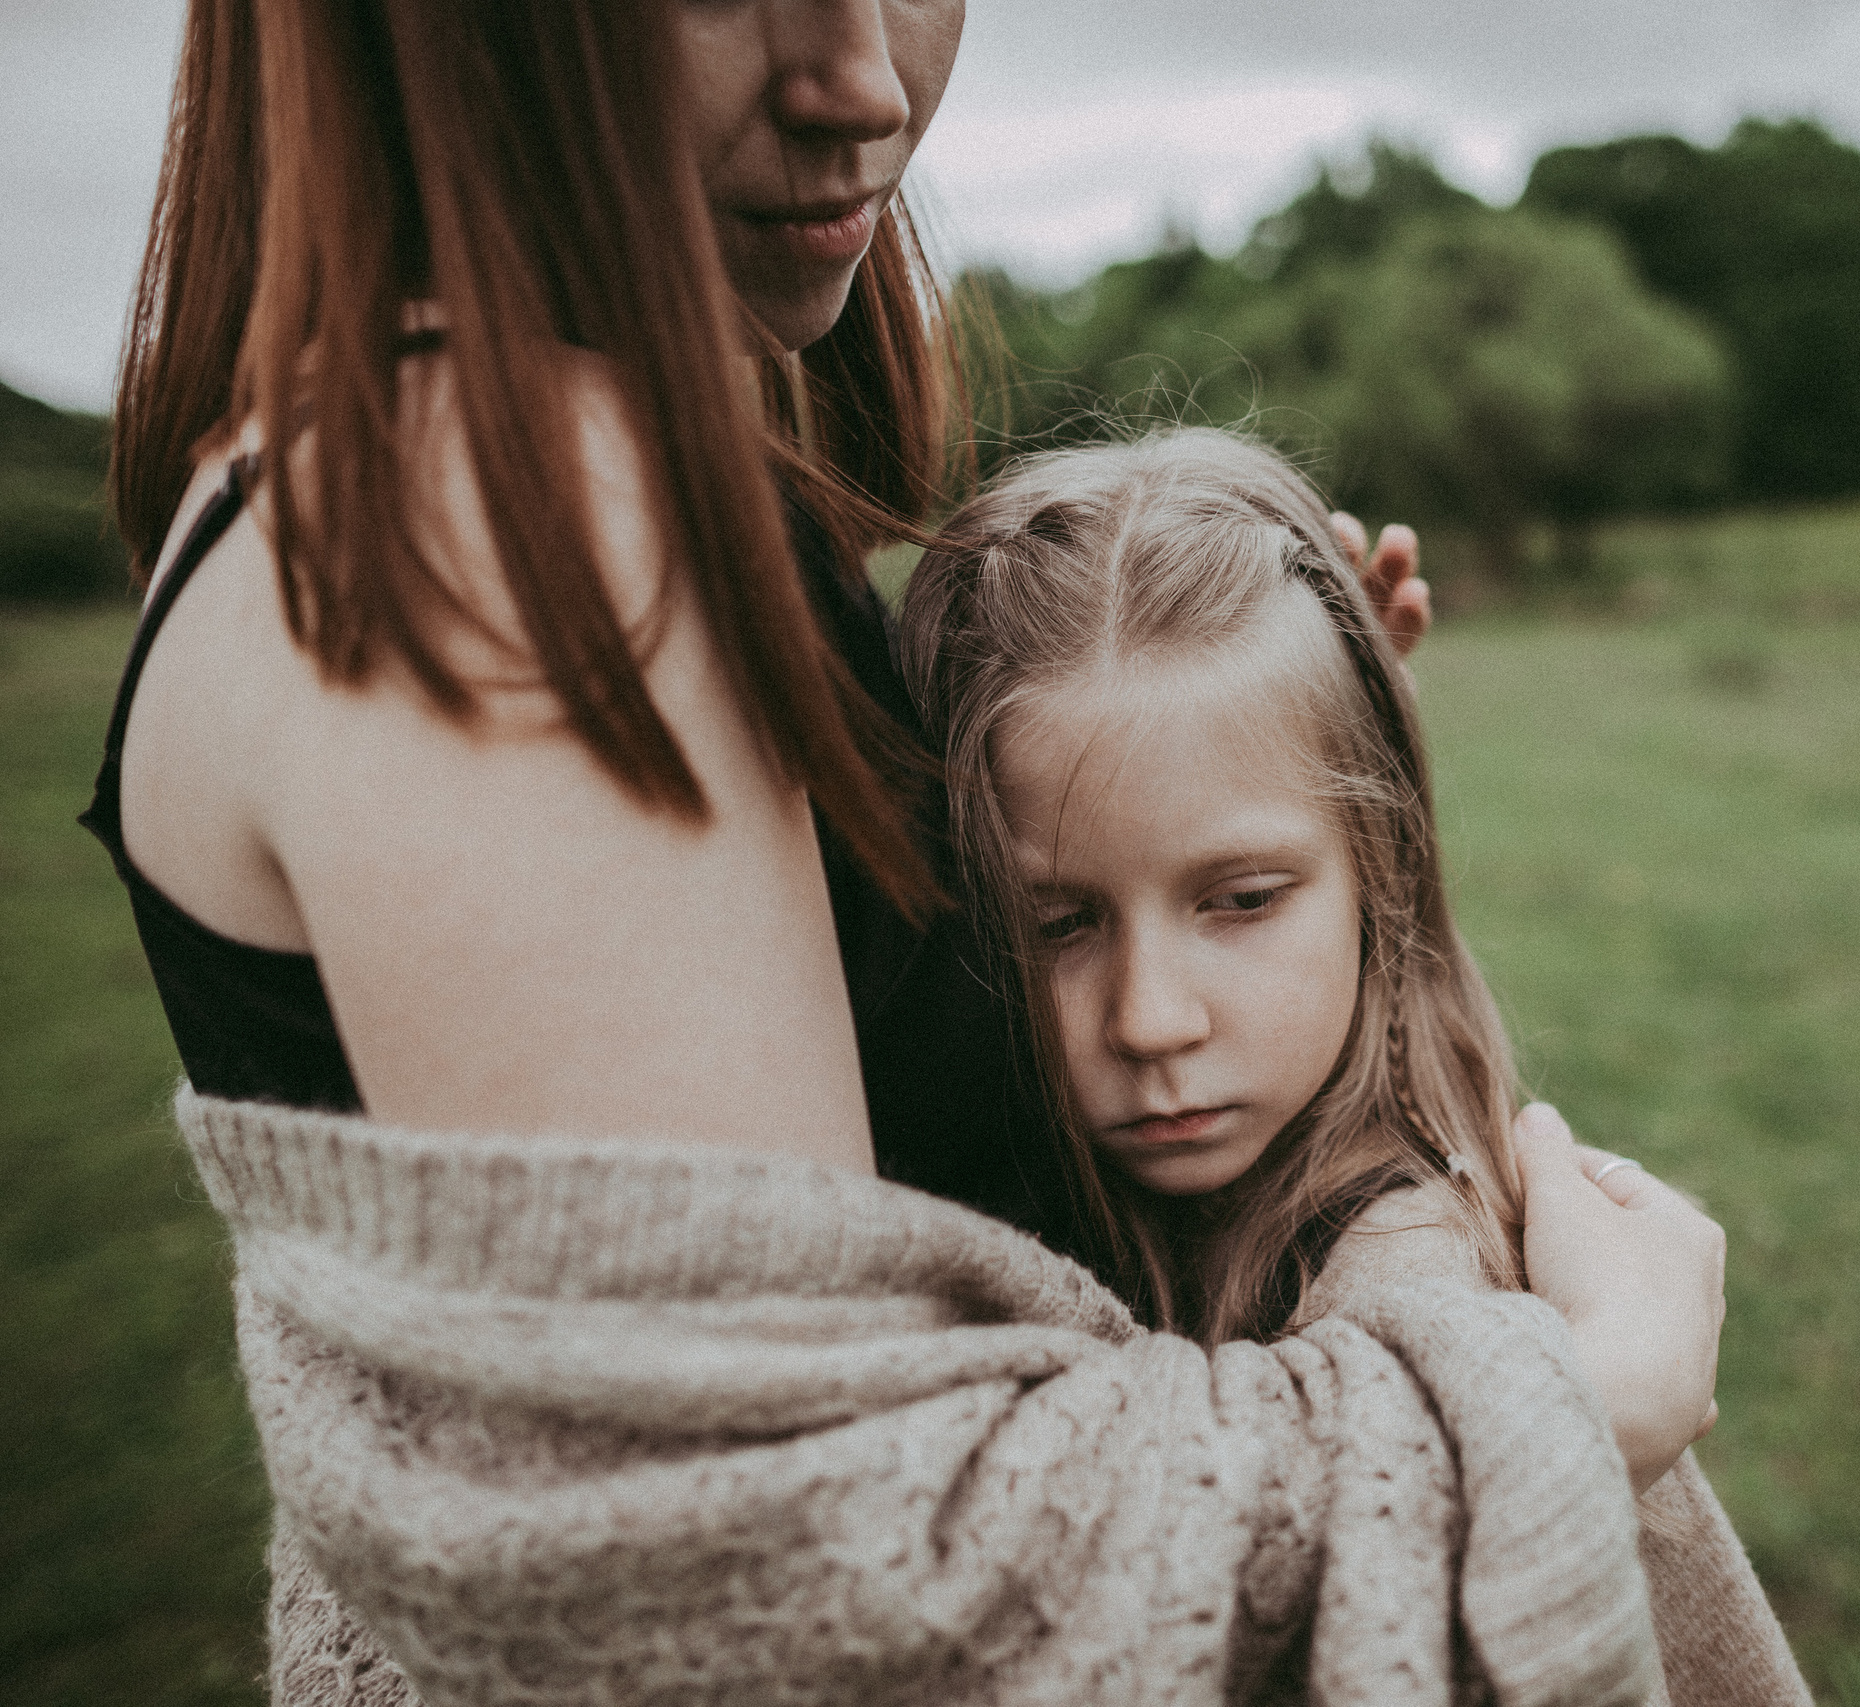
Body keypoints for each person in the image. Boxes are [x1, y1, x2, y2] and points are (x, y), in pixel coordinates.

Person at [88, 1, 1732, 1700]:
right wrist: (1573, 1396)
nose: (862, 82)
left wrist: (1285, 728)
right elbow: (800, 1586)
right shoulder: (501, 512)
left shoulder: (393, 468)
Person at [898, 427, 1810, 1707]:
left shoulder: (1412, 1283)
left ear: (1380, 869)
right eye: (1057, 924)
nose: (1149, 1020)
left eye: (1241, 899)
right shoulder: (1002, 1186)